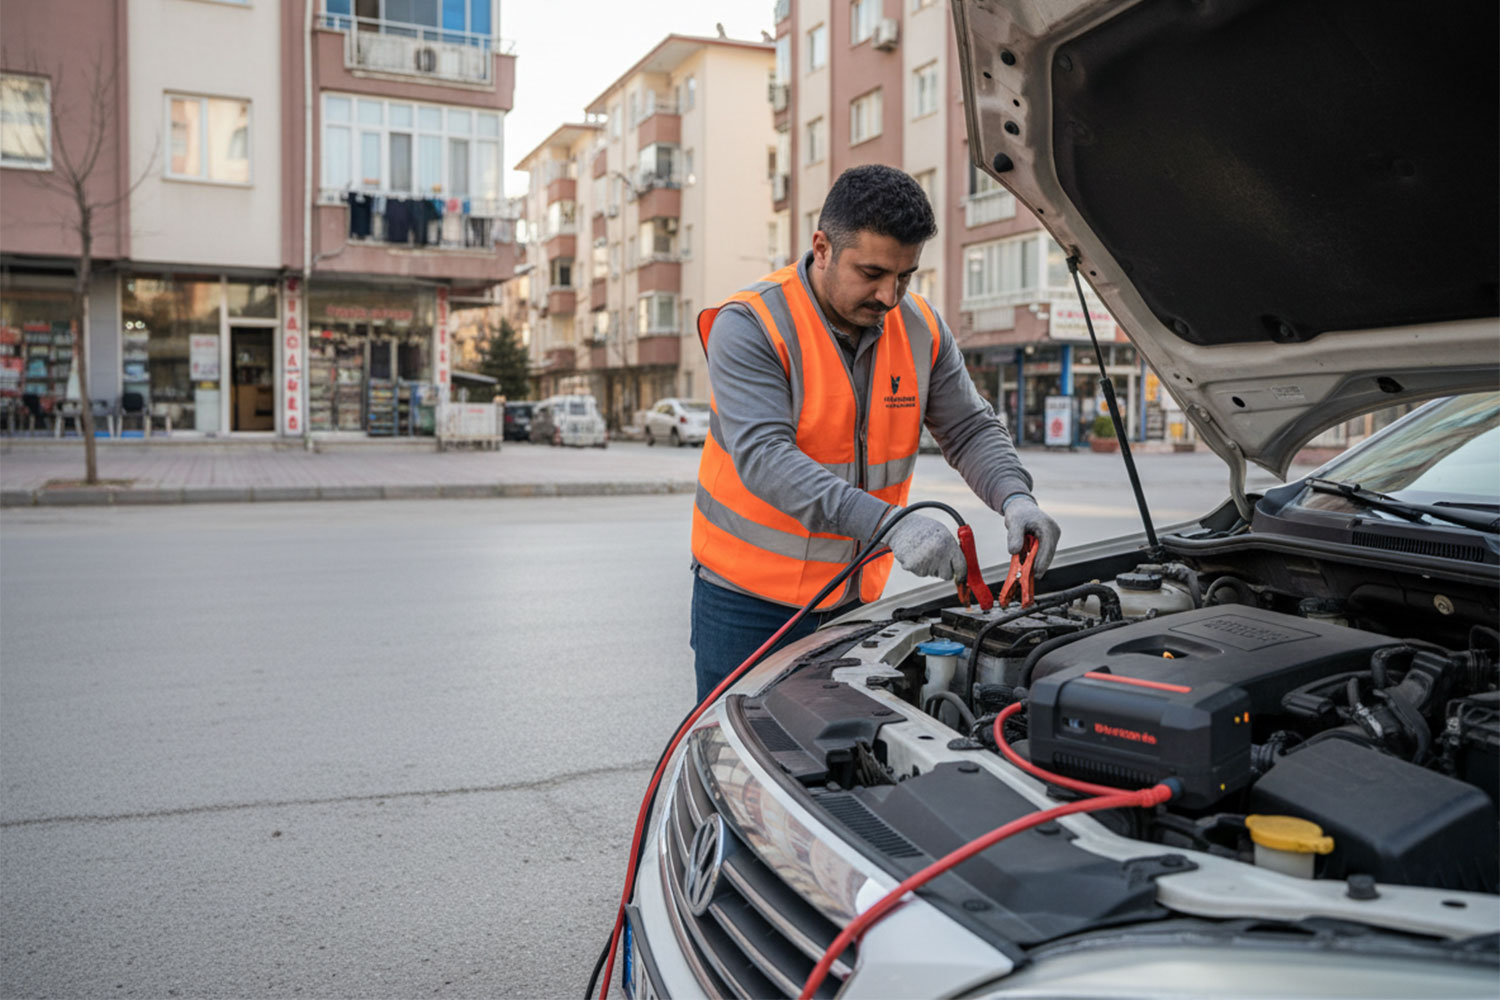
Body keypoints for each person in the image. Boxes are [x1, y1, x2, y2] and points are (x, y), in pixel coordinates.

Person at [690, 164, 1060, 701]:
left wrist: (1016, 497)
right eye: (872, 273)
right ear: (822, 247)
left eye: (905, 277)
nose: (889, 295)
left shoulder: (921, 328)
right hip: (747, 602)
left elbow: (970, 428)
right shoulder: (751, 324)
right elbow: (766, 458)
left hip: (855, 599)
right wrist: (892, 525)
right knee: (738, 764)